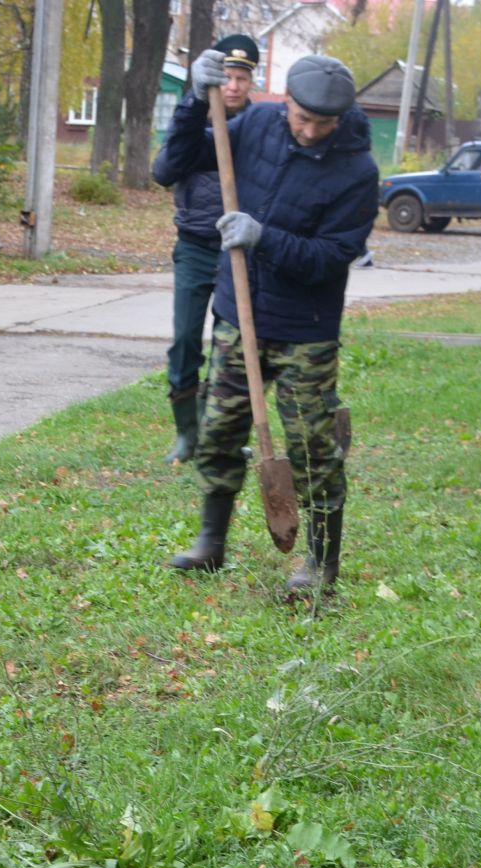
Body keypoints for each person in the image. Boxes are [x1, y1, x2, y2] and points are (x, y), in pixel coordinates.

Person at [154, 51, 378, 598]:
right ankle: (211, 544)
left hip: (306, 327)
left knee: (311, 448)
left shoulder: (357, 171)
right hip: (238, 313)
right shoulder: (257, 124)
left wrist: (264, 237)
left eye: (321, 124)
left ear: (339, 119)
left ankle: (321, 564)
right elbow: (173, 165)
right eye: (301, 118)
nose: (308, 131)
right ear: (287, 107)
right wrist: (191, 100)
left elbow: (331, 256)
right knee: (218, 432)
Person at [150, 34, 258, 464]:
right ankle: (187, 435)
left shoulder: (259, 128)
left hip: (240, 250)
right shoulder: (193, 123)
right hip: (195, 245)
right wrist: (195, 101)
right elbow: (164, 169)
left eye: (241, 78)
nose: (232, 86)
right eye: (226, 76)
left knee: (232, 344)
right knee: (185, 342)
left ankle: (222, 436)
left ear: (251, 82)